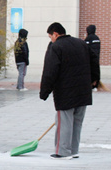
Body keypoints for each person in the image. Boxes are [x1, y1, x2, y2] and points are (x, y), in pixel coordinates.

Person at [40, 22, 100, 159]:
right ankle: (74, 150)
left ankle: (63, 151)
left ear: (55, 34)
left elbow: (50, 71)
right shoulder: (81, 43)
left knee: (64, 121)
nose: (51, 40)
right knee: (77, 122)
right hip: (83, 90)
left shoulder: (56, 47)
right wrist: (95, 80)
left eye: (50, 37)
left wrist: (44, 92)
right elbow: (94, 60)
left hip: (65, 91)